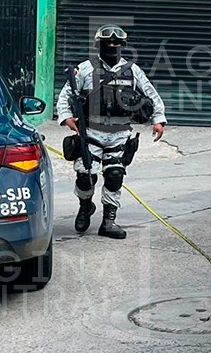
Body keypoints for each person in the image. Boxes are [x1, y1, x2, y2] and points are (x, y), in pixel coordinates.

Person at [57, 24, 166, 239]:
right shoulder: (86, 69)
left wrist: (158, 119)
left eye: (116, 42)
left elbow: (151, 94)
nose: (112, 45)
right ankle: (85, 206)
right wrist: (67, 117)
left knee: (114, 176)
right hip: (91, 132)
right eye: (108, 42)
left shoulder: (132, 71)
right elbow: (66, 94)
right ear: (99, 44)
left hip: (120, 133)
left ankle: (109, 221)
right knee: (85, 178)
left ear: (123, 45)